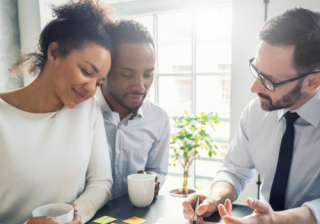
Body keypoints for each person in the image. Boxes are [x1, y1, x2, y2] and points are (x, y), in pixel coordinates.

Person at [182, 7, 320, 224]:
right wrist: (215, 197)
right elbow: (234, 171)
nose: (255, 88)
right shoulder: (255, 112)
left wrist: (275, 220)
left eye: (269, 81)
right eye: (257, 71)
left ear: (312, 82)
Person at [0, 1, 114, 224]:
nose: (92, 89)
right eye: (86, 71)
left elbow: (101, 182)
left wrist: (76, 213)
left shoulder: (87, 110)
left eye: (99, 82)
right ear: (54, 52)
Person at [95, 20, 170, 199]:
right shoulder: (80, 112)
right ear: (105, 69)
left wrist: (153, 180)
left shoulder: (158, 118)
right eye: (127, 74)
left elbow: (157, 170)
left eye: (148, 75)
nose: (140, 86)